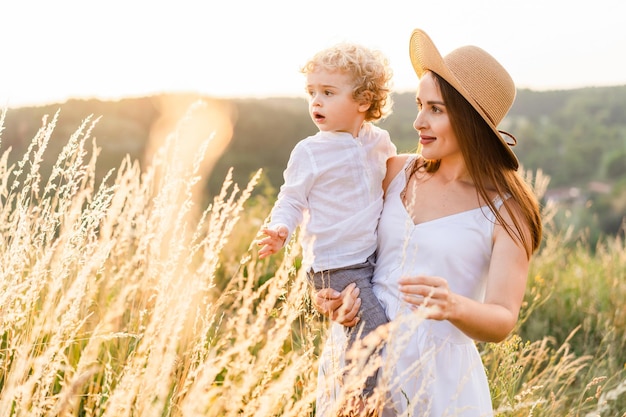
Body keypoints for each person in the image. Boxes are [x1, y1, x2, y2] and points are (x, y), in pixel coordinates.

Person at [313, 28, 543, 417]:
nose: (418, 120)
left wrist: (454, 305)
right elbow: (345, 251)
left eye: (435, 109)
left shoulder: (507, 209)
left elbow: (502, 319)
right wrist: (330, 298)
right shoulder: (393, 171)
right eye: (420, 104)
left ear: (470, 120)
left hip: (439, 382)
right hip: (359, 362)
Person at [257, 43, 397, 408]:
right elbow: (291, 198)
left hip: (367, 259)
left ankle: (358, 397)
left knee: (364, 333)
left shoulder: (379, 142)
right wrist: (281, 230)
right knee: (374, 329)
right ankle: (362, 407)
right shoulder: (310, 151)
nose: (315, 102)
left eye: (328, 93)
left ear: (364, 100)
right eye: (312, 93)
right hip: (335, 265)